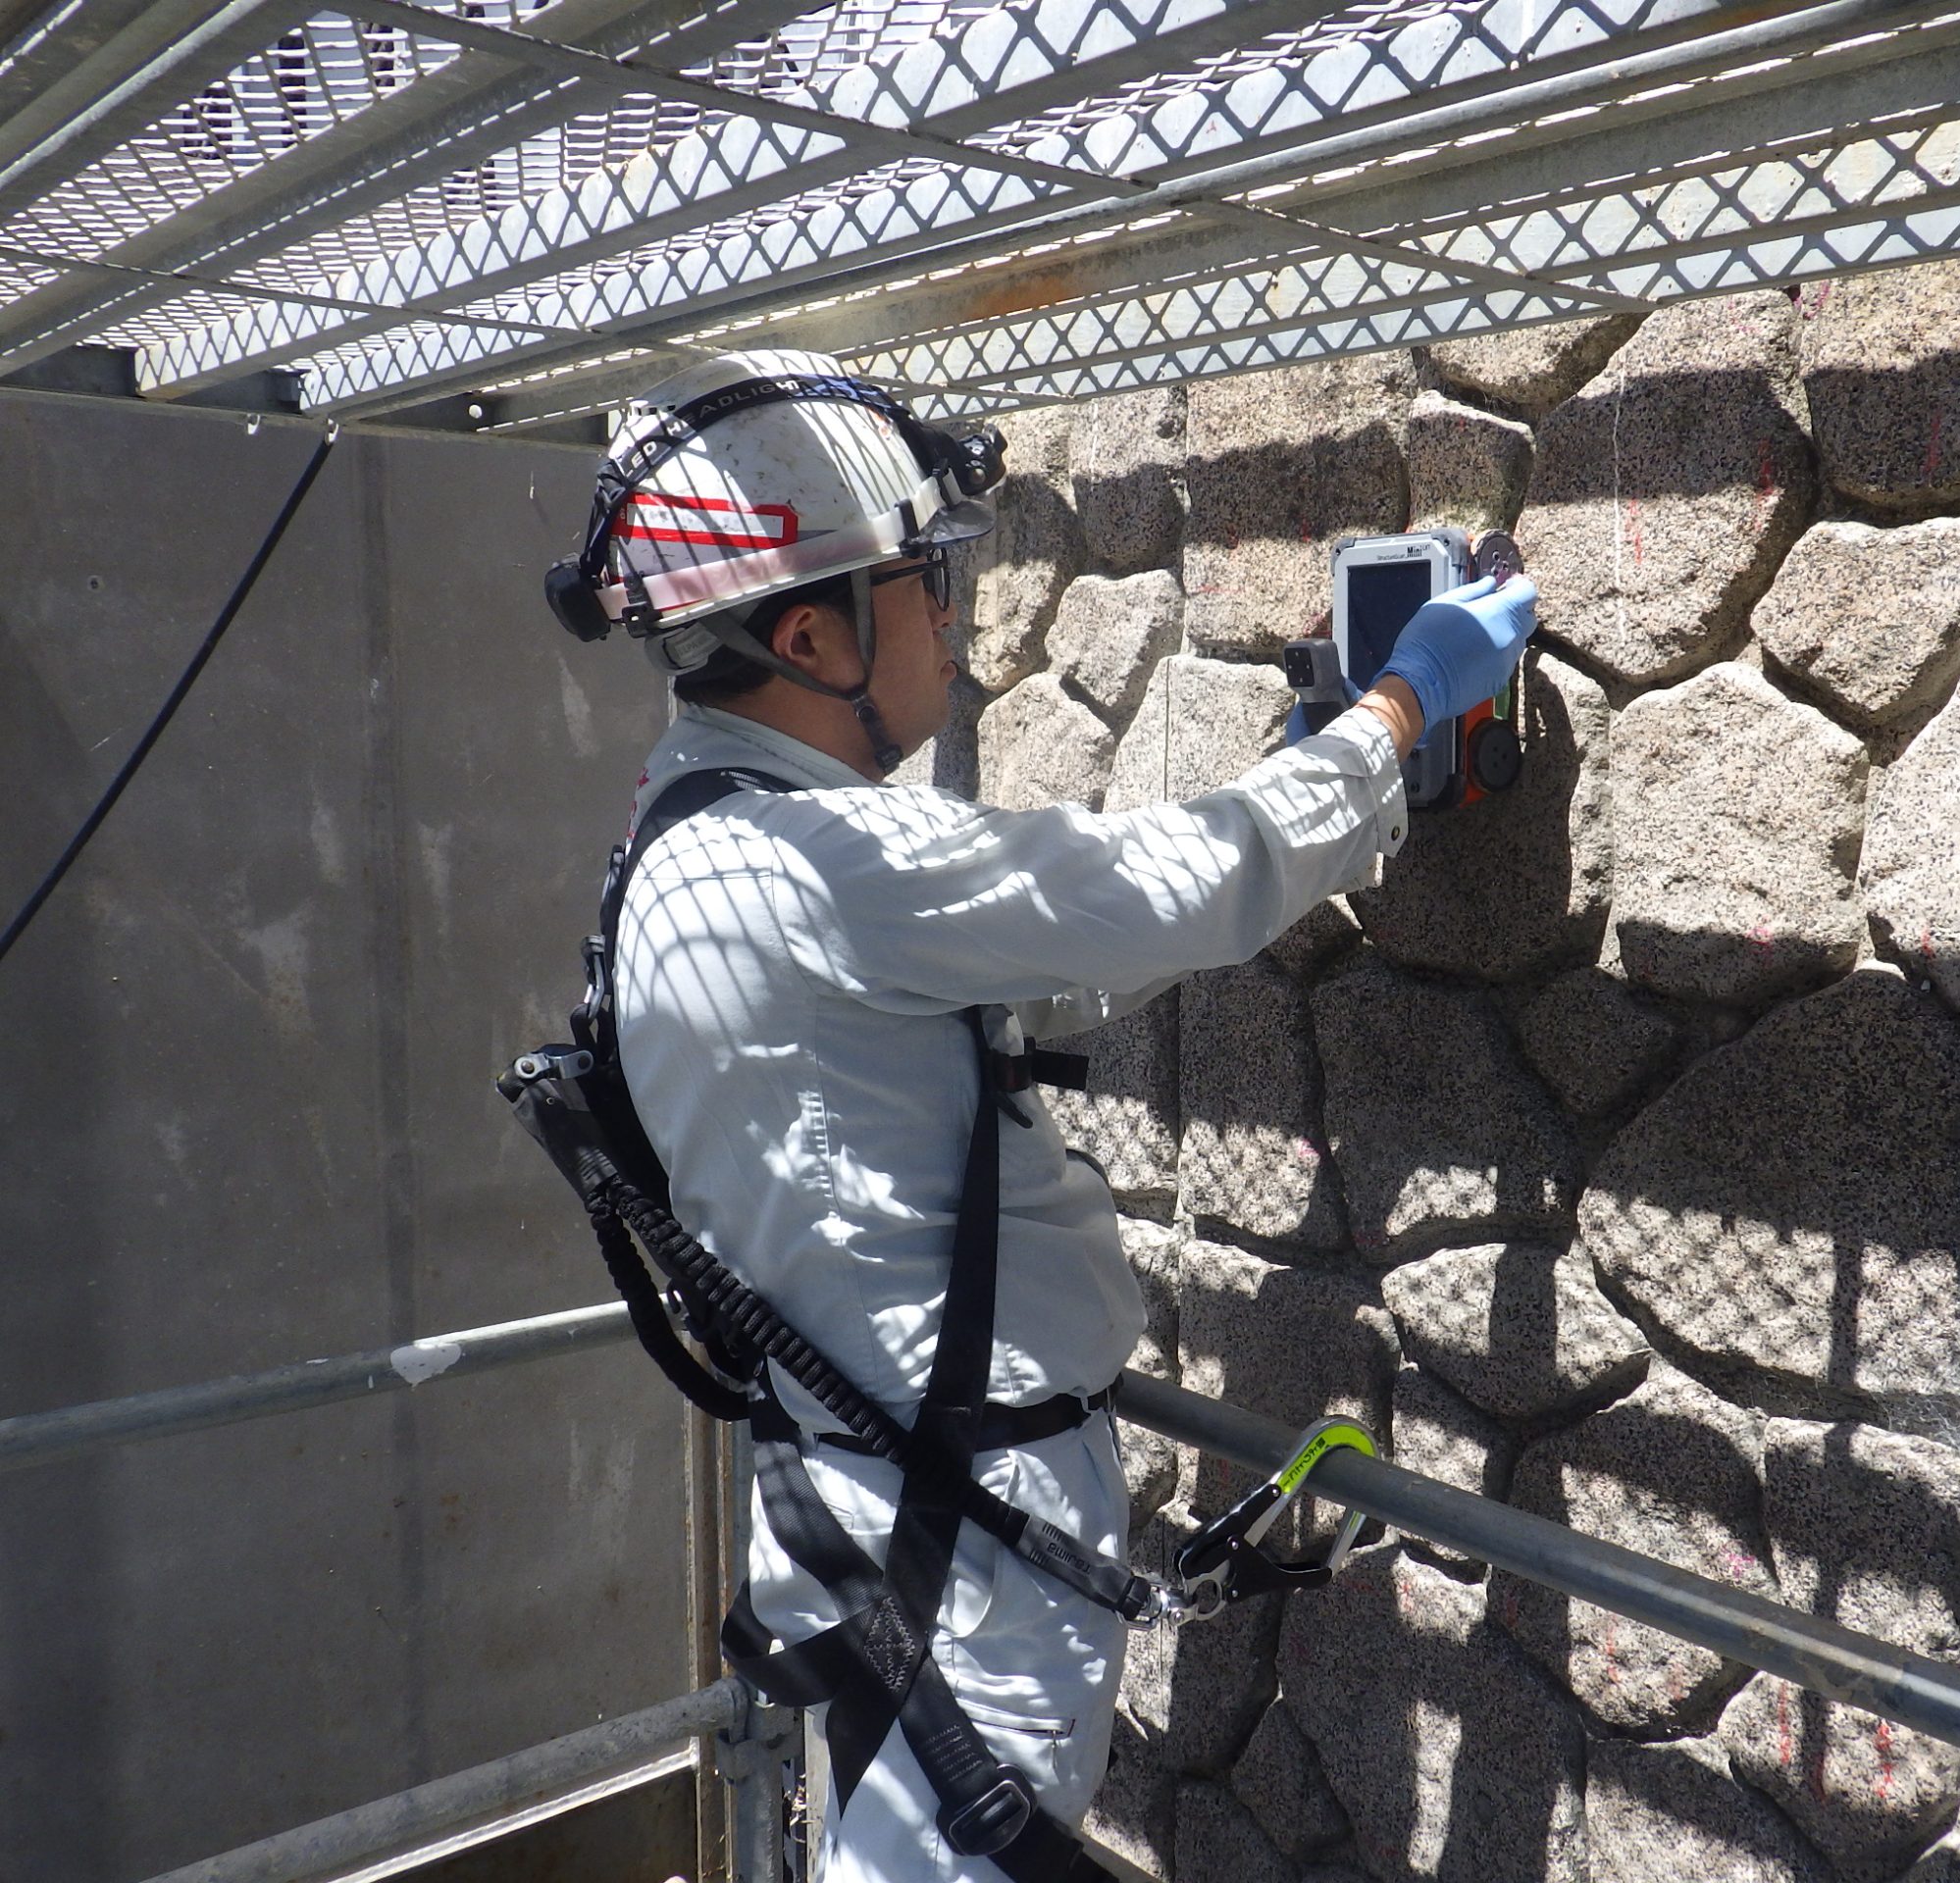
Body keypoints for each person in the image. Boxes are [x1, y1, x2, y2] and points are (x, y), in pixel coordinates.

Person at [560, 349, 1534, 1882]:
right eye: (923, 582)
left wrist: (1295, 788)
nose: (954, 615)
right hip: (950, 1535)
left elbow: (1023, 986)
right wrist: (1402, 707)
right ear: (814, 635)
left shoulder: (691, 843)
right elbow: (1171, 890)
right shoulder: (829, 865)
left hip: (867, 1505)